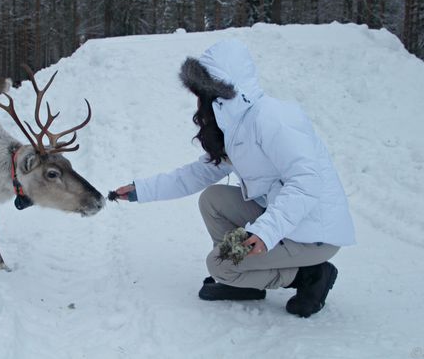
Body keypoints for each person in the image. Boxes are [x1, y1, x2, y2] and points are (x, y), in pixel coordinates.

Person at [113, 39, 355, 318]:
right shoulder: (235, 127)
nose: (199, 102)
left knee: (219, 265)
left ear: (223, 89)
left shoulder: (274, 119)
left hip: (313, 235)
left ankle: (311, 275)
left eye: (203, 92)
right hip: (287, 221)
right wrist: (140, 190)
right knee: (213, 199)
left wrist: (265, 232)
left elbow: (306, 182)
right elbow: (197, 173)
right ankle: (245, 283)